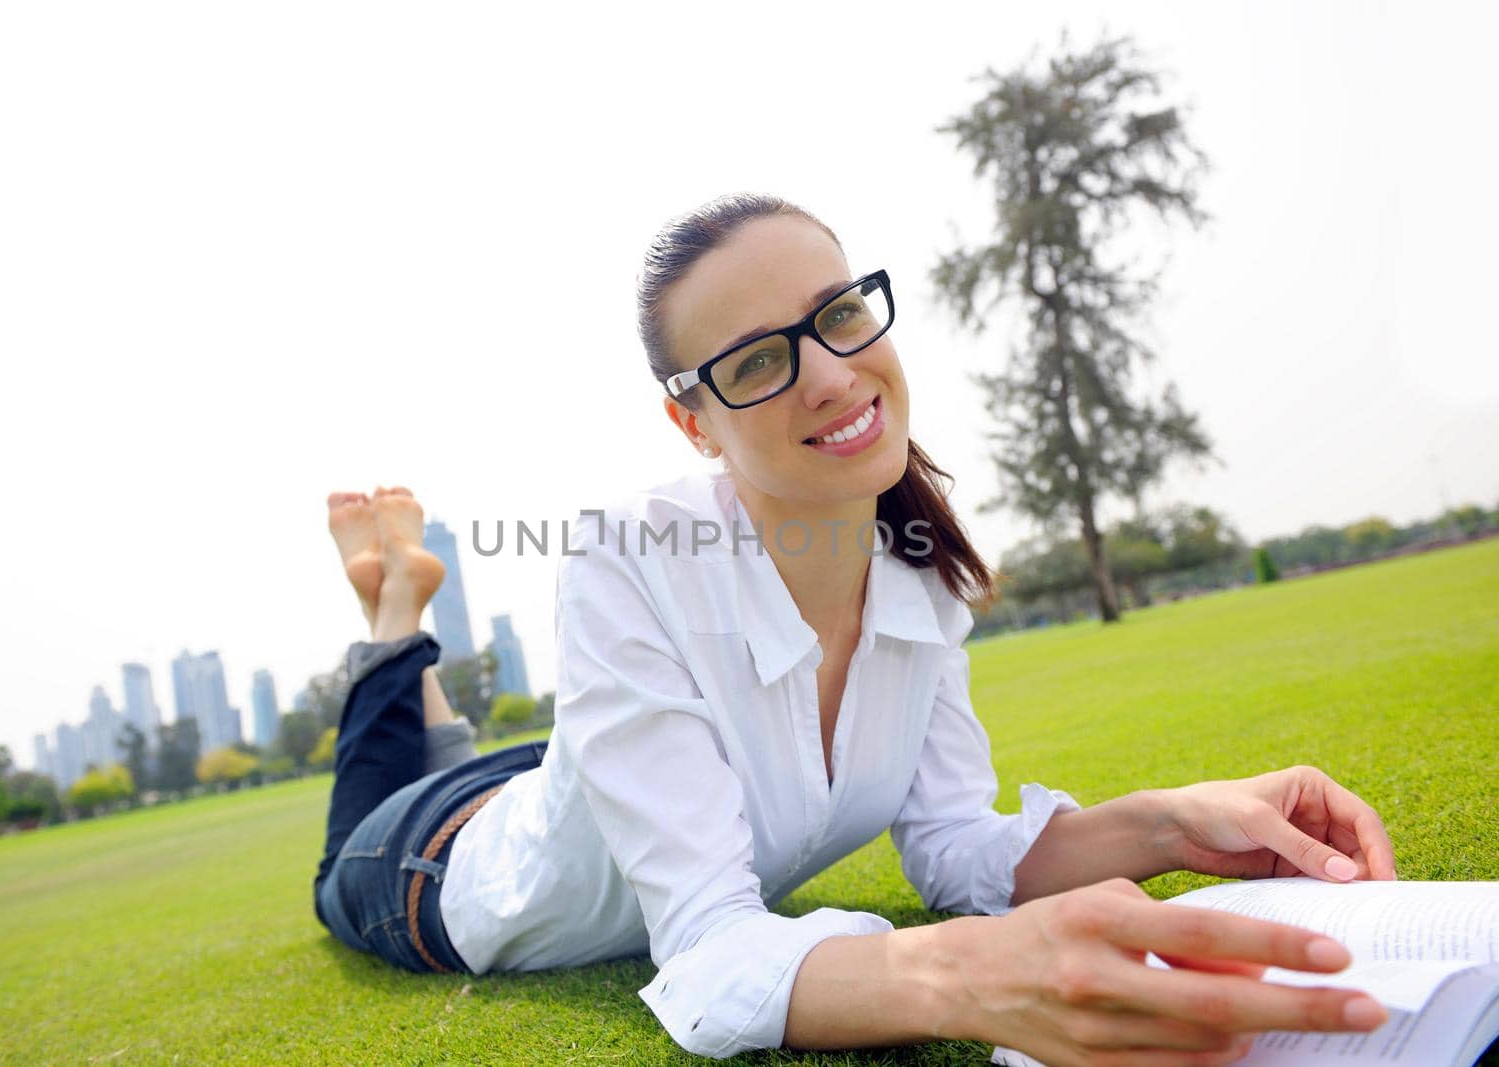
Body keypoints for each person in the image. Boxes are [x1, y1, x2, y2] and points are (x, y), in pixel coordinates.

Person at [312, 192, 1400, 1065]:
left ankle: (405, 630)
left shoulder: (915, 574)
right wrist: (969, 973)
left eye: (838, 314)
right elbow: (705, 945)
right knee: (370, 784)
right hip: (431, 862)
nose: (832, 375)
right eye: (753, 362)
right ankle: (395, 627)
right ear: (693, 422)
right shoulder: (624, 559)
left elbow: (956, 847)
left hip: (583, 775)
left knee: (526, 764)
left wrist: (1173, 824)